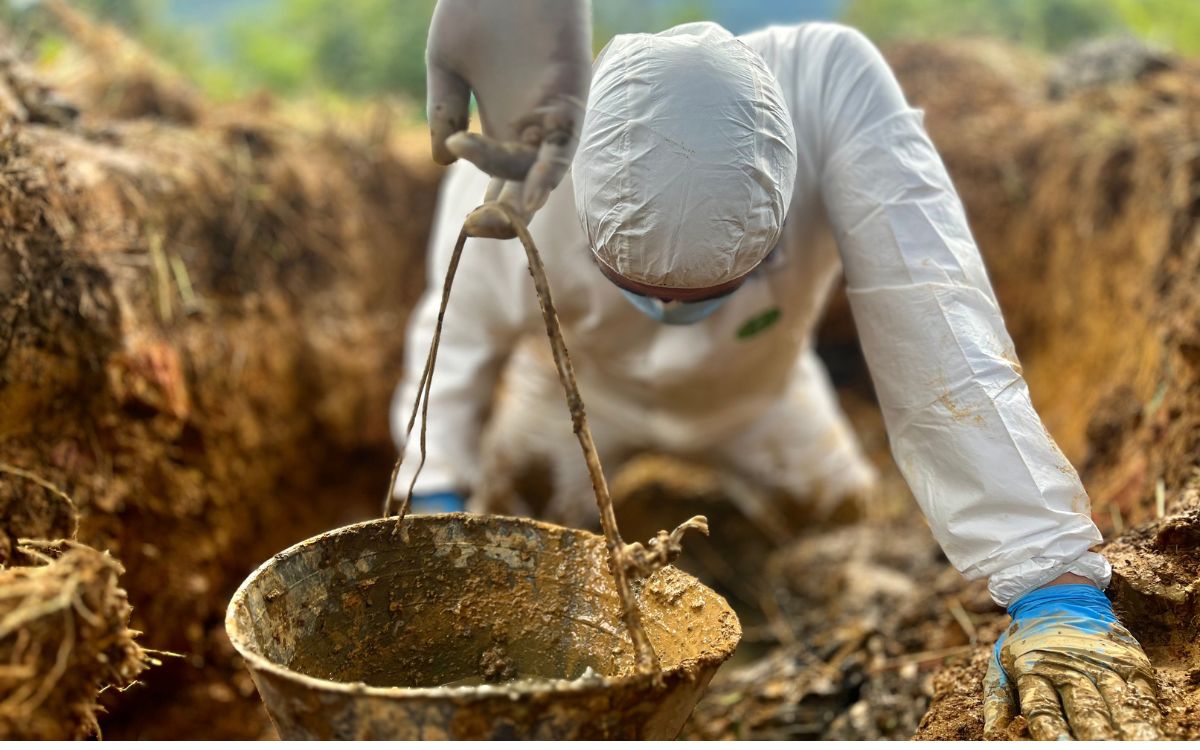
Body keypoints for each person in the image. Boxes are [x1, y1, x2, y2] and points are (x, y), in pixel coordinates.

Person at [396, 0, 1162, 740]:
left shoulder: (830, 91)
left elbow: (933, 309)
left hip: (763, 395)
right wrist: (434, 500)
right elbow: (454, 347)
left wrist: (1049, 582)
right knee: (508, 553)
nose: (671, 313)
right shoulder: (517, 158)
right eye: (641, 291)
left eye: (708, 291)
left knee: (848, 540)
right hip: (578, 403)